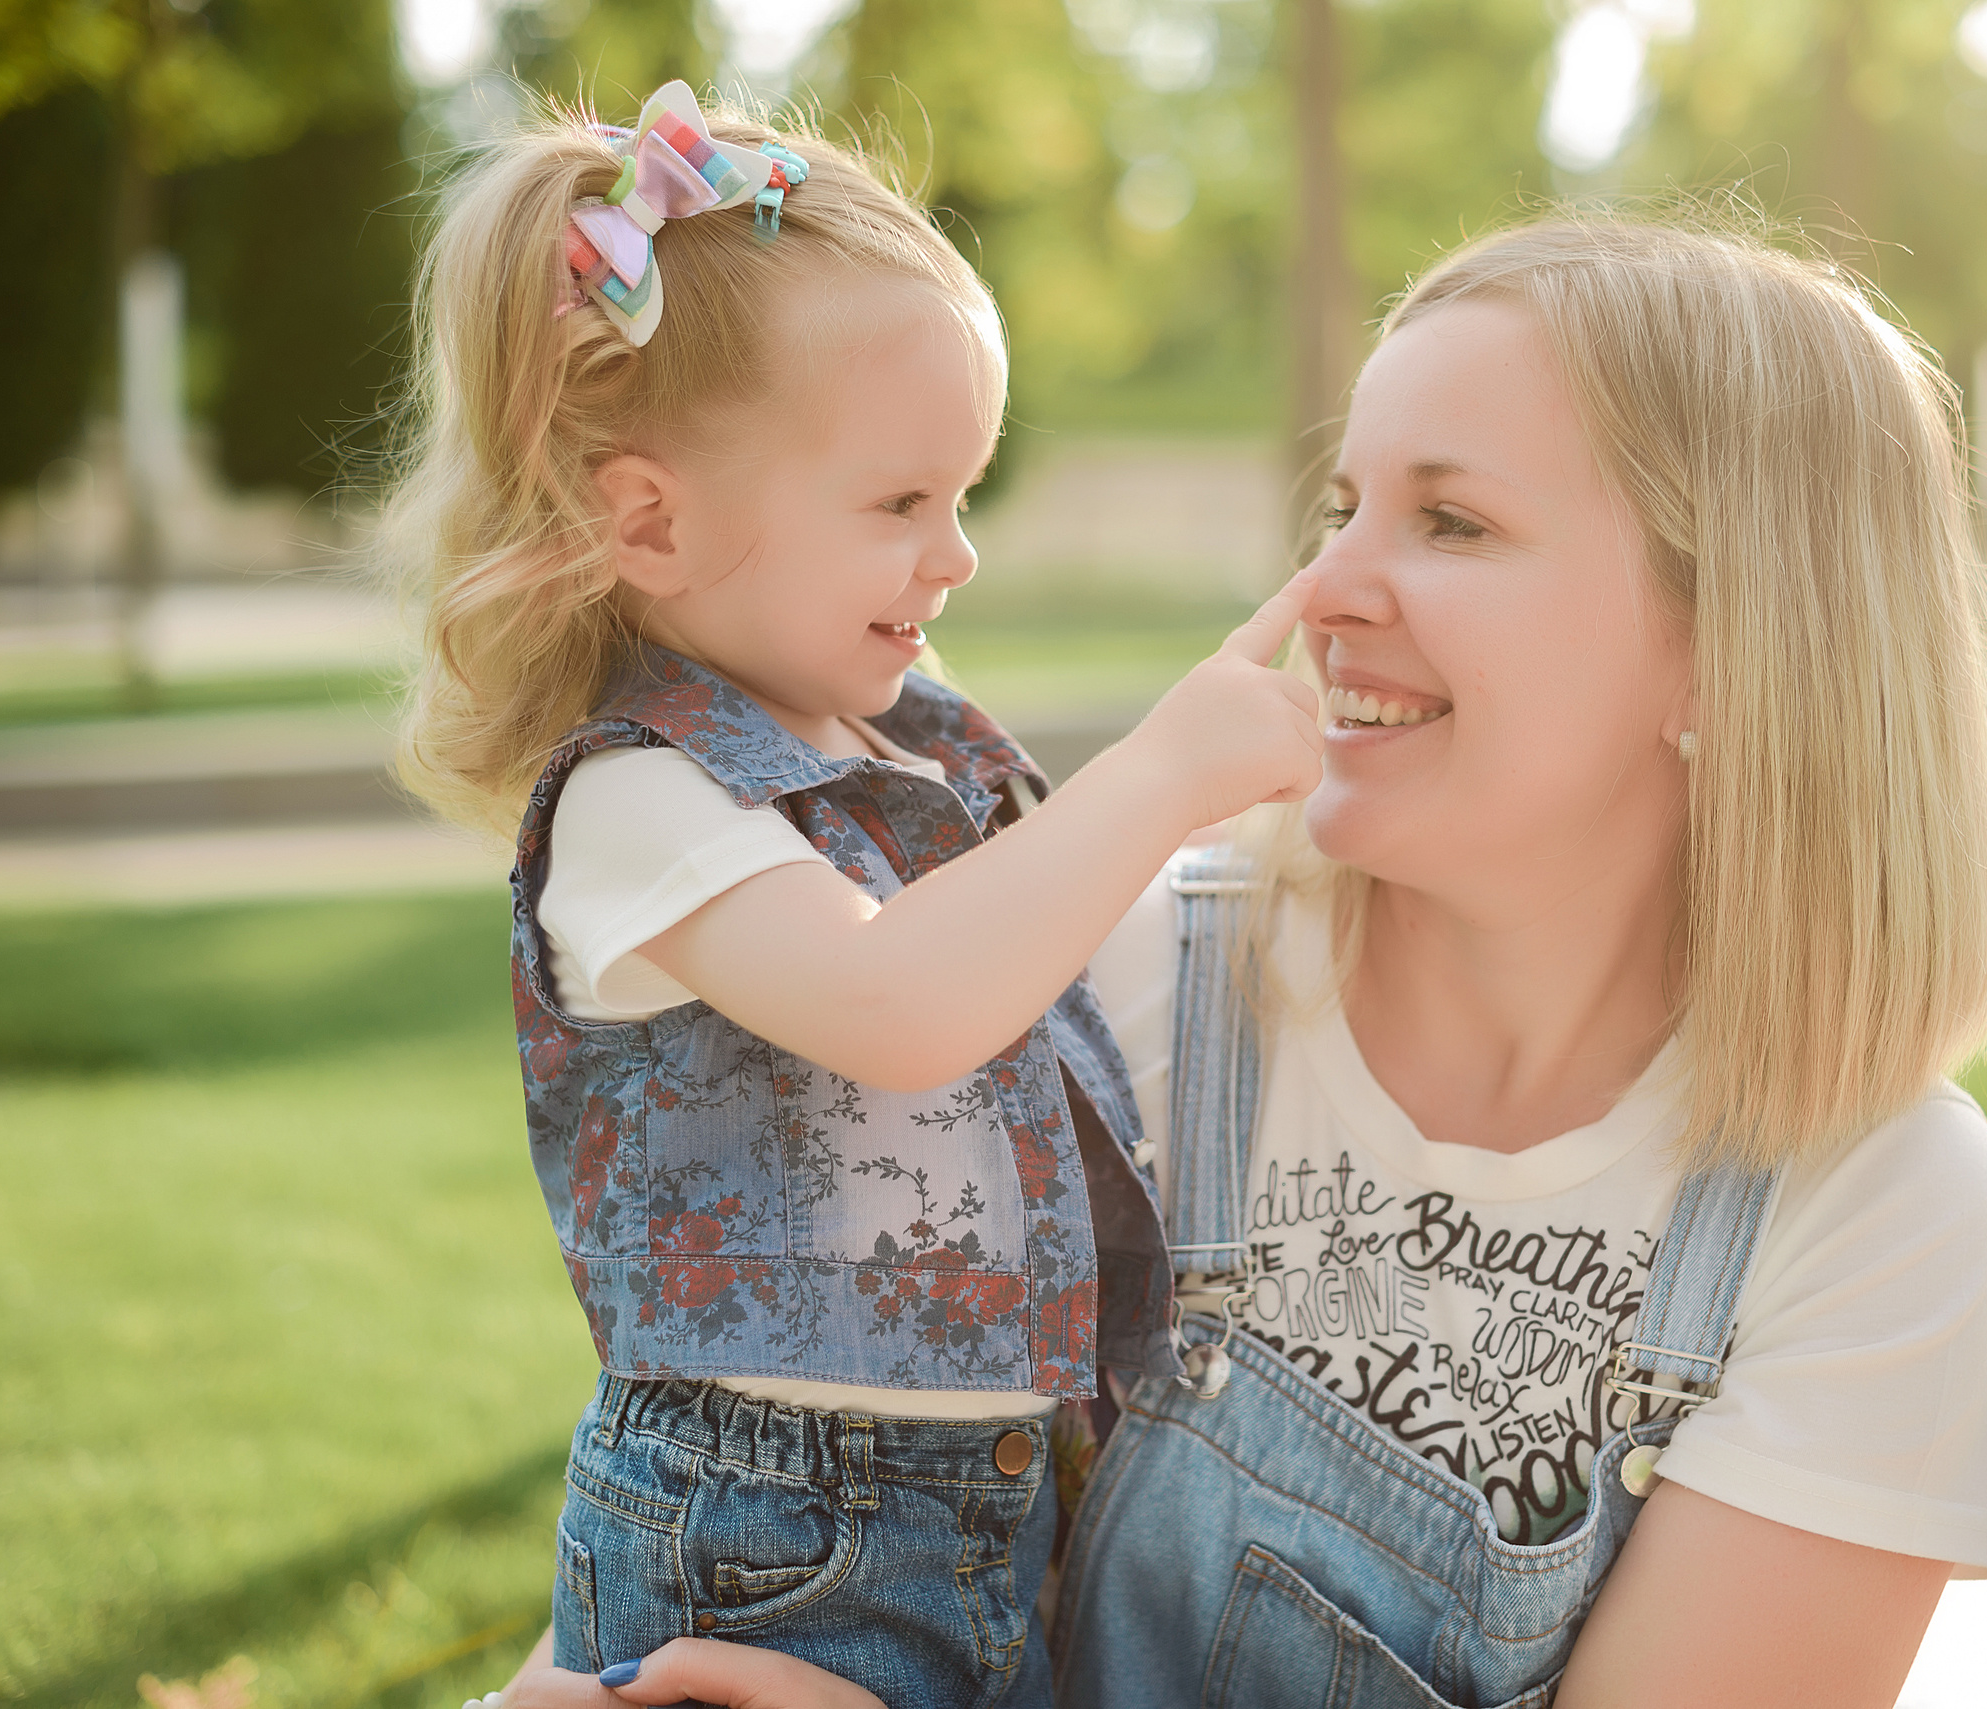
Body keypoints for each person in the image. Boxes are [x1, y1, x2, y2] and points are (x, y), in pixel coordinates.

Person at [504, 207, 1987, 1707]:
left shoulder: (1868, 1208)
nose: (1326, 590)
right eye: (1342, 507)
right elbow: (734, 1479)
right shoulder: (1110, 981)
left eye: (1452, 521)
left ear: (1728, 642)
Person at [384, 81, 1320, 1709]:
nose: (956, 554)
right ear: (651, 523)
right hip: (765, 1540)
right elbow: (899, 1004)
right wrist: (1164, 766)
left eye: (963, 495)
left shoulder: (909, 745)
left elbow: (1046, 957)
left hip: (985, 1513)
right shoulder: (636, 797)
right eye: (900, 503)